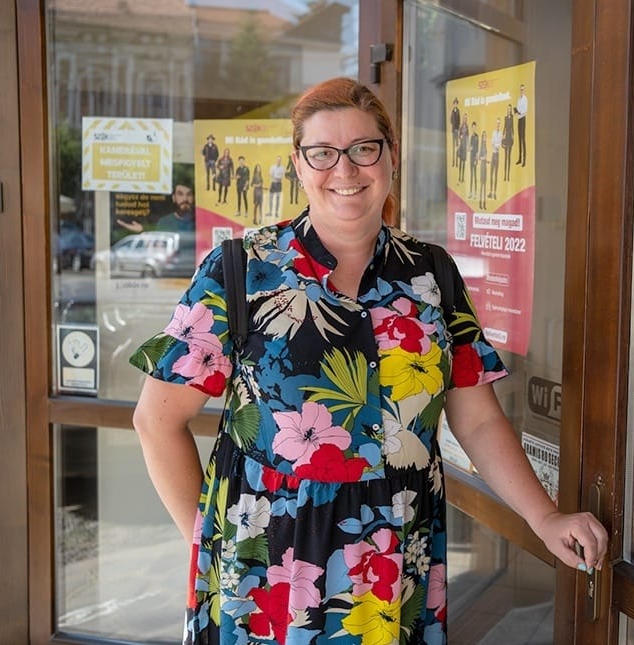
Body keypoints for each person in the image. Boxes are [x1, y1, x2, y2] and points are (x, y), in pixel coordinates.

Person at [129, 77, 606, 645]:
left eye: (363, 148)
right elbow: (156, 421)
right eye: (323, 153)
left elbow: (477, 420)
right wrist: (213, 550)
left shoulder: (433, 275)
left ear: (391, 156)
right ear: (299, 165)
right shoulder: (239, 270)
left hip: (397, 556)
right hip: (268, 572)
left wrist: (545, 518)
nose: (345, 169)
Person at [514, 83, 528, 167]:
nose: (521, 91)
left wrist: (519, 112)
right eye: (520, 89)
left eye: (522, 89)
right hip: (519, 119)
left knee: (523, 139)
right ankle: (519, 159)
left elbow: (525, 110)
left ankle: (524, 160)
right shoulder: (518, 99)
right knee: (519, 139)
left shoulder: (525, 99)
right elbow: (518, 109)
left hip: (523, 119)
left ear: (524, 90)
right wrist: (516, 112)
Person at [489, 117, 502, 201]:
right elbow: (492, 142)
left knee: (496, 174)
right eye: (497, 123)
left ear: (500, 124)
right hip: (493, 154)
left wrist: (495, 145)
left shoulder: (500, 133)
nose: (498, 124)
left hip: (497, 154)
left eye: (499, 123)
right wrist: (495, 144)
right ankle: (490, 192)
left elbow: (499, 144)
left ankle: (494, 193)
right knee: (491, 174)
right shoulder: (493, 132)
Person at [502, 104, 514, 182]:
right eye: (508, 109)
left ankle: (508, 176)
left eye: (510, 109)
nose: (509, 110)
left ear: (511, 110)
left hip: (510, 138)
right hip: (506, 138)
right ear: (507, 110)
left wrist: (513, 135)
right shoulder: (505, 118)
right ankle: (504, 176)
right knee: (505, 157)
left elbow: (512, 128)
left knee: (509, 157)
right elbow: (504, 127)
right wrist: (503, 135)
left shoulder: (512, 118)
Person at [468, 121, 479, 200]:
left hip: (475, 158)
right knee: (471, 176)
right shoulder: (471, 137)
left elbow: (477, 149)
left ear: (476, 128)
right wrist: (469, 149)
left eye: (475, 127)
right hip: (471, 157)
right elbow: (469, 148)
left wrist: (476, 159)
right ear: (472, 128)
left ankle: (475, 193)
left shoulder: (477, 137)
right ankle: (471, 193)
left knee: (475, 176)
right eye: (473, 127)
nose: (474, 128)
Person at [449, 97, 461, 167]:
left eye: (456, 103)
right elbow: (451, 120)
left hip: (457, 130)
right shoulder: (452, 111)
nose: (455, 104)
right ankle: (453, 162)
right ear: (454, 104)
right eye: (455, 103)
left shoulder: (458, 111)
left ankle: (456, 162)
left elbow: (459, 121)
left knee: (457, 146)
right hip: (453, 130)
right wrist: (454, 125)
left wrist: (458, 129)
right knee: (453, 146)